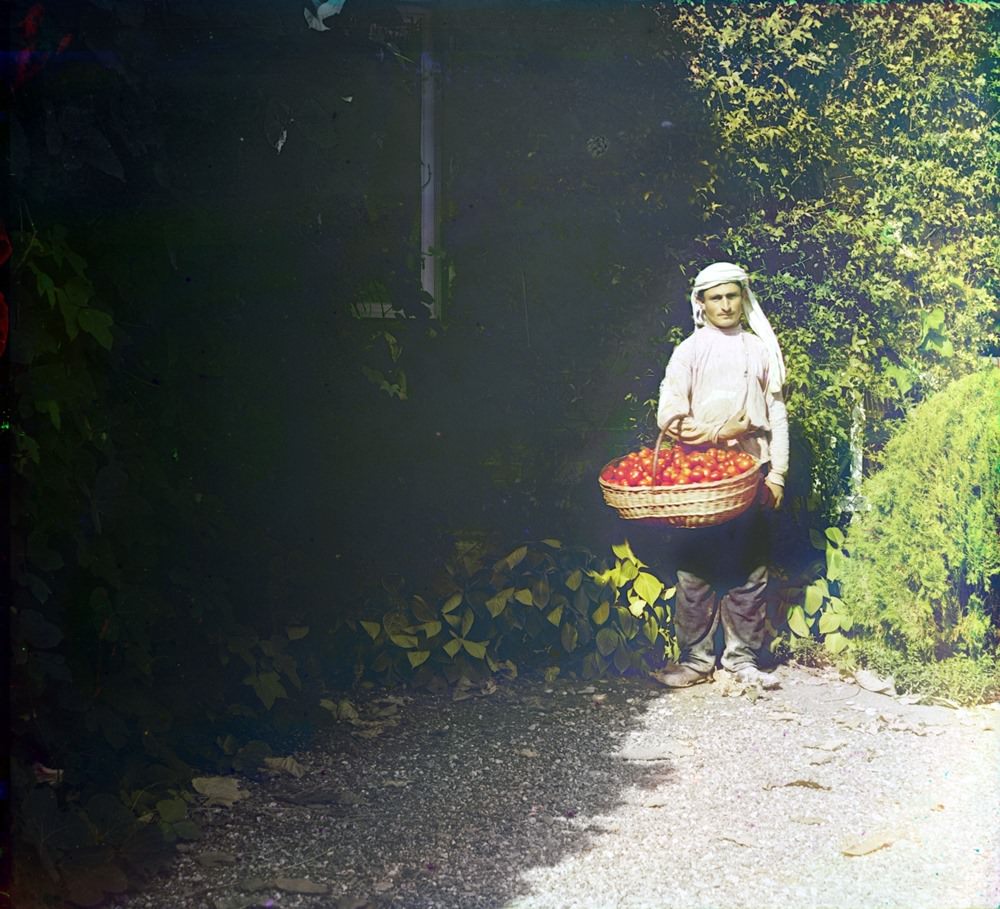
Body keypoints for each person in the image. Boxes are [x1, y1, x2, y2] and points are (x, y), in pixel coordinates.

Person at [650, 262, 789, 689]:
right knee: (695, 569)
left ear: (742, 298)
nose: (725, 305)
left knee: (750, 569)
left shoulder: (758, 350)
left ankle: (742, 659)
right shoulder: (689, 352)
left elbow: (777, 414)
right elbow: (669, 415)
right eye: (716, 298)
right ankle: (695, 659)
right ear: (701, 303)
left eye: (732, 296)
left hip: (750, 473)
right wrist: (717, 433)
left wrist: (778, 473)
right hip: (700, 478)